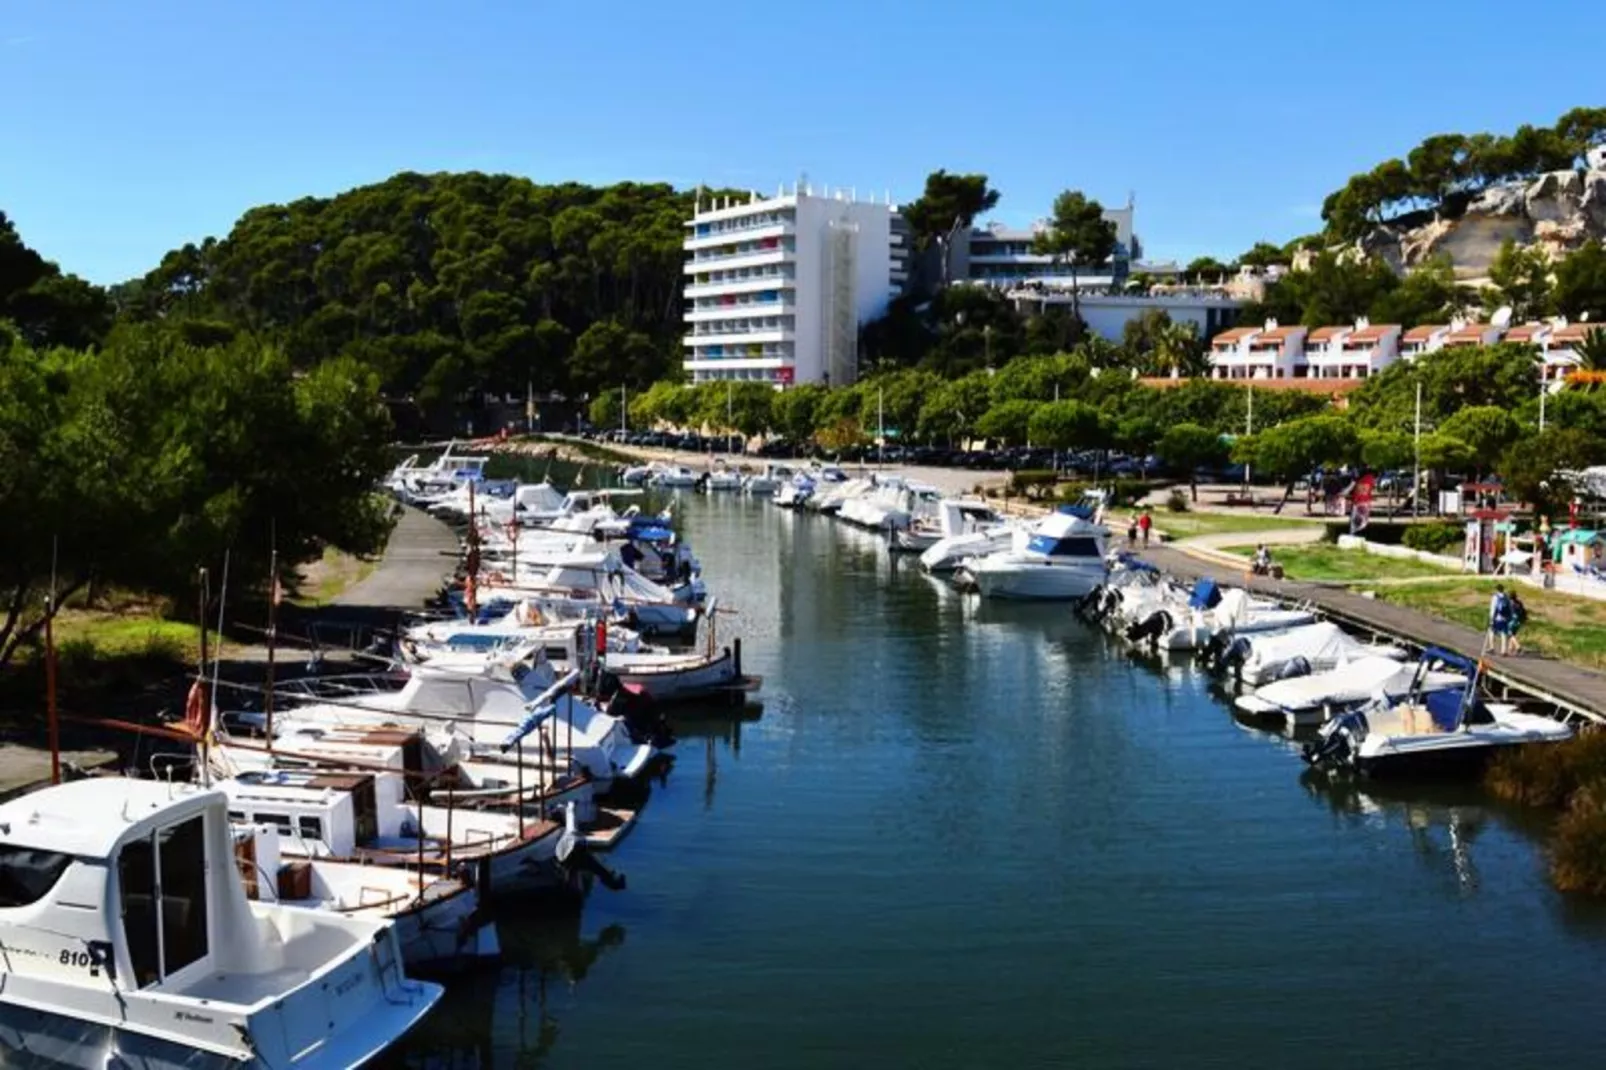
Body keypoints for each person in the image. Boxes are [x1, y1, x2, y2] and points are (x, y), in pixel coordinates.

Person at [1488, 584, 1510, 655]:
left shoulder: (1495, 597)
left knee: (1492, 632)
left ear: (1497, 589)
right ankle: (1503, 651)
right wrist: (1509, 617)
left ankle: (1492, 648)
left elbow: (1493, 608)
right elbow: (1510, 608)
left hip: (1497, 618)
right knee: (1504, 634)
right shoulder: (1506, 597)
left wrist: (1491, 619)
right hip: (1505, 618)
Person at [1506, 590, 1528, 655]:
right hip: (1519, 621)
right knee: (1513, 634)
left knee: (1510, 634)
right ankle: (1510, 649)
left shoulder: (1509, 603)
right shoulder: (1519, 602)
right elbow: (1523, 611)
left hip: (1512, 620)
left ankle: (1518, 646)